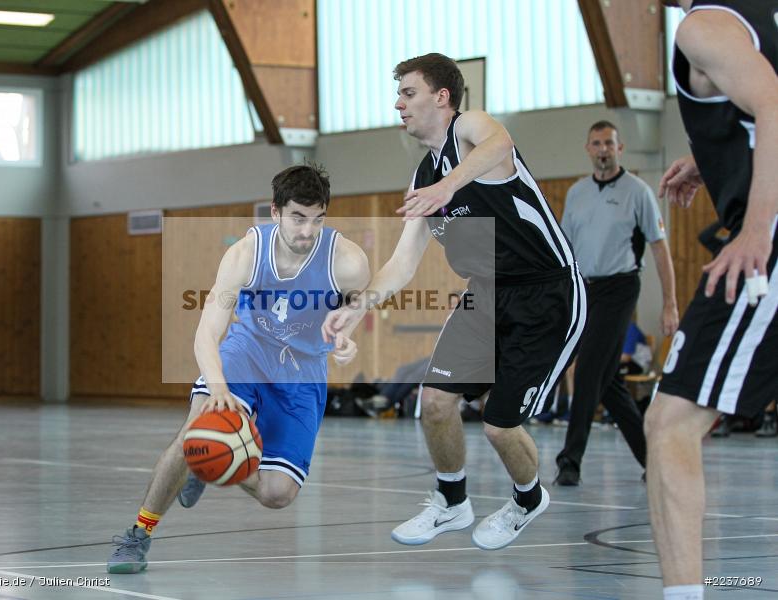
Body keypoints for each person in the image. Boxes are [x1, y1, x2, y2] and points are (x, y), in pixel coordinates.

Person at [323, 53, 586, 550]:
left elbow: (500, 143)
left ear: (441, 97)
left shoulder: (471, 126)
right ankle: (451, 502)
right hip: (484, 295)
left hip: (547, 291)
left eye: (408, 92)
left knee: (500, 426)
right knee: (436, 402)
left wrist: (447, 186)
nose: (398, 103)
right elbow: (402, 264)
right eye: (399, 93)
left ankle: (528, 499)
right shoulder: (422, 180)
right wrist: (354, 311)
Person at [106, 164, 370, 574]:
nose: (307, 230)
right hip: (246, 353)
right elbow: (206, 334)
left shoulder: (348, 260)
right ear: (275, 212)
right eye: (298, 217)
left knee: (276, 493)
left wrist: (347, 338)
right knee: (195, 429)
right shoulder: (245, 255)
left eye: (317, 219)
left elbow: (355, 309)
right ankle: (138, 534)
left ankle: (210, 463)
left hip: (301, 373)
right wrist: (218, 388)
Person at [650, 2, 778, 599]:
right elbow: (758, 105)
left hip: (769, 237)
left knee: (671, 422)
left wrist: (755, 227)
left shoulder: (702, 25)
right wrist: (714, 156)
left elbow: (775, 104)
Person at [553, 121, 679, 486]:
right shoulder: (576, 193)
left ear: (620, 148)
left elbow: (659, 248)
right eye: (596, 143)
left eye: (609, 143)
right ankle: (652, 460)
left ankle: (570, 460)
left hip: (620, 288)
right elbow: (566, 249)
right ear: (588, 148)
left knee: (589, 368)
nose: (603, 149)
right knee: (608, 382)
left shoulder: (637, 191)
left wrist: (669, 304)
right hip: (585, 290)